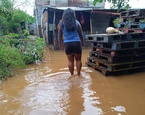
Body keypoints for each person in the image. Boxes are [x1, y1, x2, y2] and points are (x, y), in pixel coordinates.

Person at [58, 8, 84, 76]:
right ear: (73, 15)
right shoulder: (77, 23)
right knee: (78, 60)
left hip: (67, 44)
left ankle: (72, 75)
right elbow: (80, 34)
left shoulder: (61, 24)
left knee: (70, 61)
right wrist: (82, 42)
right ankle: (78, 74)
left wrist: (60, 43)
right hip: (76, 43)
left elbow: (60, 35)